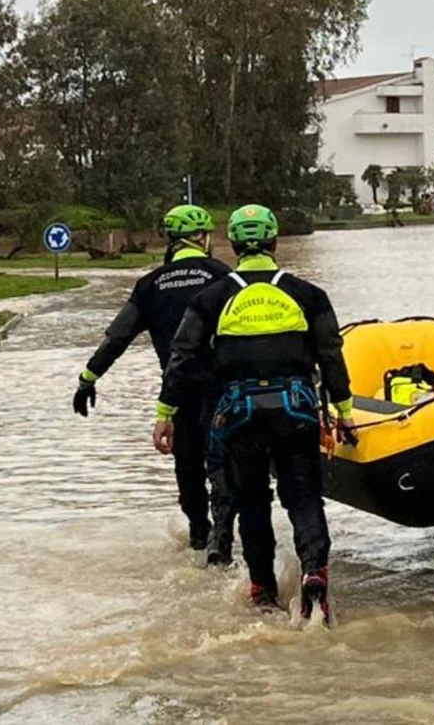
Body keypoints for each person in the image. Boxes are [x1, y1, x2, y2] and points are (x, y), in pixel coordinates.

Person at [155, 204, 356, 622]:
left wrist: (166, 412)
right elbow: (331, 355)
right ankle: (314, 573)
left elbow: (181, 357)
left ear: (231, 244)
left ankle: (263, 593)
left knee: (252, 503)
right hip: (296, 411)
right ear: (274, 241)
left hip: (238, 415)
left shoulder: (210, 298)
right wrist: (345, 410)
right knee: (303, 498)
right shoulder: (307, 294)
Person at [72, 204, 233, 561]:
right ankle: (223, 542)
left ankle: (197, 535)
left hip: (176, 391)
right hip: (223, 390)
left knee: (188, 467)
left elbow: (117, 338)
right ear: (202, 238)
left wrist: (88, 378)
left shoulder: (149, 285)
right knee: (222, 465)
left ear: (170, 240)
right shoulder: (223, 275)